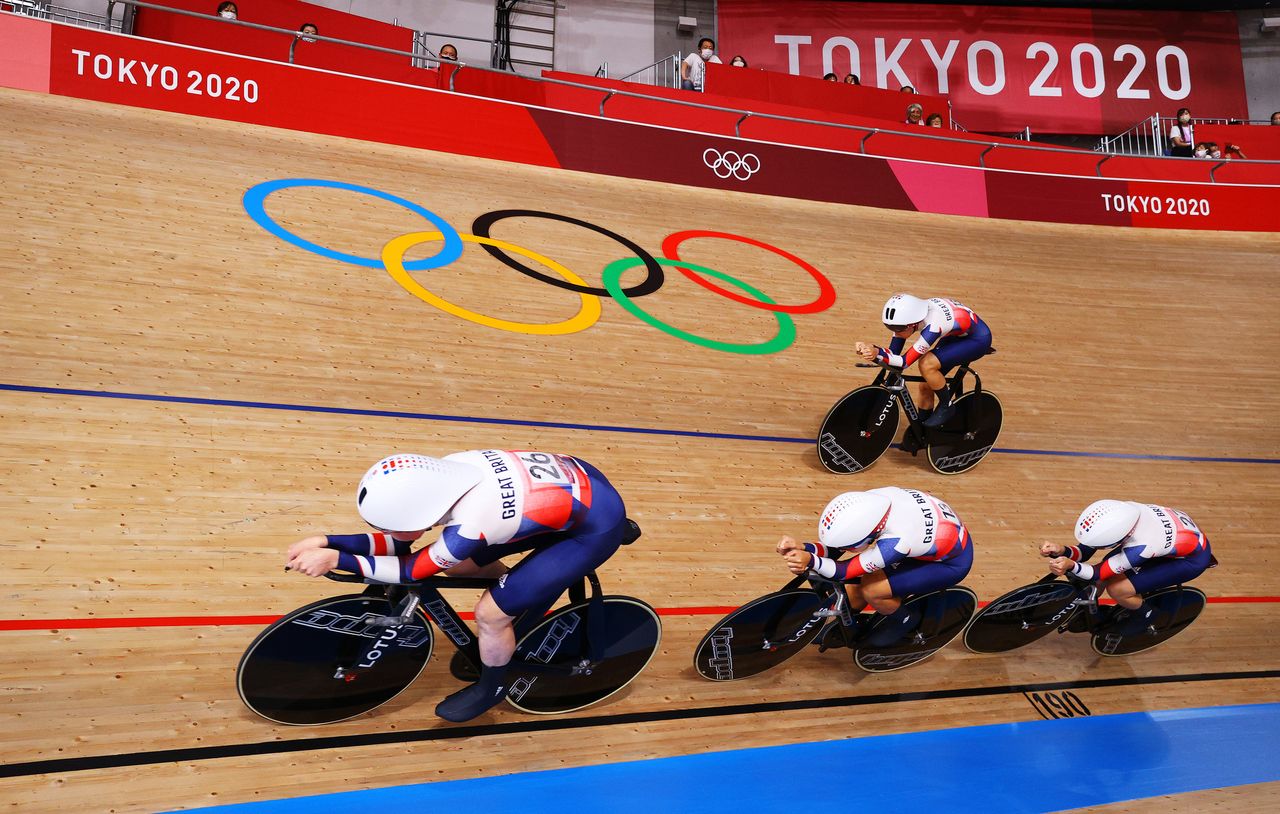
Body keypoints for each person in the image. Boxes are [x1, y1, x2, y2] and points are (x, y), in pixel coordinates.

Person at [284, 450, 631, 722]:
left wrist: (336, 559)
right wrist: (327, 540)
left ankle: (492, 687)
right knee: (459, 566)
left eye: (392, 524)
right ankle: (526, 591)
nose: (388, 531)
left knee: (490, 614)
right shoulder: (450, 470)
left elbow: (410, 569)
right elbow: (400, 542)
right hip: (575, 487)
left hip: (592, 528)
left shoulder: (470, 523)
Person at [777, 488, 973, 647]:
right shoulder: (872, 502)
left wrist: (810, 560)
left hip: (949, 563)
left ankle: (905, 620)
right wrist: (802, 547)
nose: (845, 549)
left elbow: (843, 571)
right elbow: (835, 548)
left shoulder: (896, 543)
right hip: (927, 539)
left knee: (872, 590)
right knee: (854, 592)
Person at [1041, 500, 1215, 635]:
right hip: (1169, 538)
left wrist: (1071, 565)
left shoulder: (1141, 548)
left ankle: (1147, 614)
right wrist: (1060, 550)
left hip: (1188, 560)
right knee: (1106, 571)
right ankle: (1086, 605)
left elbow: (1097, 573)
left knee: (1117, 589)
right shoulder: (1120, 513)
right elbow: (1084, 551)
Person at [855, 293, 993, 427]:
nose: (895, 332)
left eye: (898, 328)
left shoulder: (933, 325)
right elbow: (893, 353)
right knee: (926, 385)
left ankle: (947, 405)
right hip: (956, 333)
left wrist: (877, 352)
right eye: (890, 327)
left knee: (926, 363)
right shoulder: (910, 318)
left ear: (912, 324)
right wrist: (871, 348)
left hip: (977, 340)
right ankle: (922, 431)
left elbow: (904, 362)